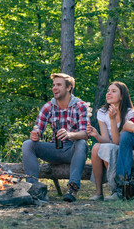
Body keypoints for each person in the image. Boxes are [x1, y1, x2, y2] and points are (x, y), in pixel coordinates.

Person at [22, 73, 89, 202]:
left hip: (73, 150)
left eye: (58, 85)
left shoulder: (80, 106)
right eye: (53, 85)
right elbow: (37, 129)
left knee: (81, 143)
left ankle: (72, 188)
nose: (54, 88)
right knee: (27, 144)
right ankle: (33, 189)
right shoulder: (48, 107)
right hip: (54, 149)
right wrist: (35, 135)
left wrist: (70, 135)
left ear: (69, 88)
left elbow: (86, 133)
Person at [87, 81, 134, 201]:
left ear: (122, 96)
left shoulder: (129, 114)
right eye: (108, 91)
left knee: (107, 148)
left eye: (113, 91)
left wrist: (112, 120)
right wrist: (96, 135)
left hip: (129, 154)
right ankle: (98, 192)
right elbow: (106, 139)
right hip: (111, 149)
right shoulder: (102, 112)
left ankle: (116, 190)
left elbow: (118, 142)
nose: (109, 93)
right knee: (96, 146)